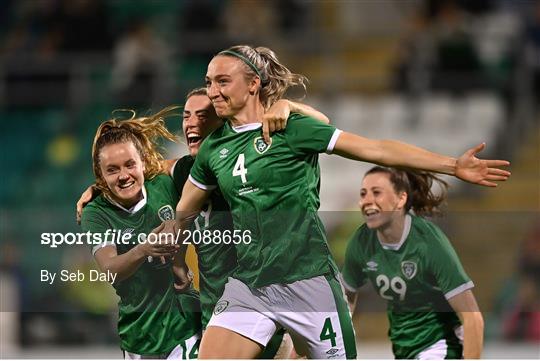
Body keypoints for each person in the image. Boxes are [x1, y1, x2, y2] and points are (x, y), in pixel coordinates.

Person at [161, 44, 509, 359]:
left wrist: (452, 165)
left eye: (222, 81)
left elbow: (375, 149)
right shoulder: (213, 149)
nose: (213, 91)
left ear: (253, 83)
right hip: (250, 286)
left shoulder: (292, 128)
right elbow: (185, 209)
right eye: (209, 82)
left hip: (308, 282)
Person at [76, 88, 329, 358]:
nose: (191, 123)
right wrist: (102, 186)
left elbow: (321, 125)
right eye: (186, 116)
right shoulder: (183, 174)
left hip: (263, 309)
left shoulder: (253, 160)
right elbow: (145, 172)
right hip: (210, 316)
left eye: (202, 115)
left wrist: (287, 104)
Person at [79, 107, 202, 359]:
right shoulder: (95, 213)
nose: (124, 176)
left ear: (143, 163)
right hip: (137, 335)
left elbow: (209, 161)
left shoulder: (165, 184)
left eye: (130, 165)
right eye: (112, 170)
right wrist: (144, 249)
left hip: (183, 324)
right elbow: (111, 270)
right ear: (100, 175)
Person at [341, 166, 484, 359]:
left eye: (376, 193)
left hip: (442, 346)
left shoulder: (429, 243)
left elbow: (473, 317)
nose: (366, 201)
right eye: (363, 193)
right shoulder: (361, 241)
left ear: (401, 199)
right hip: (404, 348)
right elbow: (346, 300)